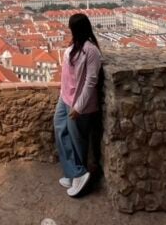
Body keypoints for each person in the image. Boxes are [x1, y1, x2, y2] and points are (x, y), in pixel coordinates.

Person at [54, 13, 102, 198]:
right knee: (60, 131)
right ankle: (74, 172)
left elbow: (91, 81)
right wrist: (62, 95)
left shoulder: (91, 51)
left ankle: (78, 175)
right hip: (65, 98)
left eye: (72, 28)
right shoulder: (74, 45)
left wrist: (79, 107)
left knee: (77, 139)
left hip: (78, 103)